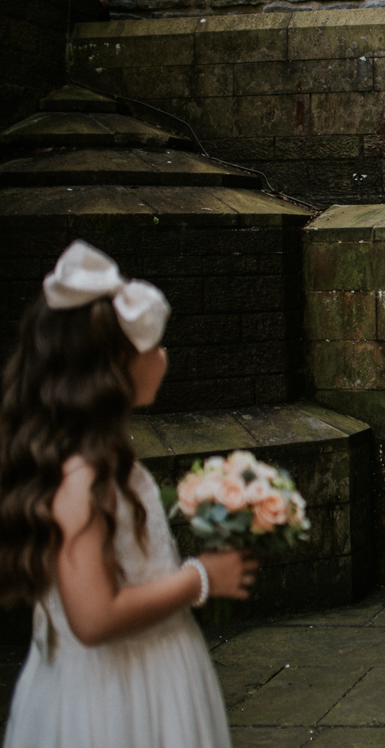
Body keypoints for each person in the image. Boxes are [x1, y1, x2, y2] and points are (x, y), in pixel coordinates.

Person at [0, 241, 255, 748]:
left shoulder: (99, 457)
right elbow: (93, 618)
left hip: (147, 671)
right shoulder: (83, 478)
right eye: (154, 347)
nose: (164, 356)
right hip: (115, 697)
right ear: (115, 366)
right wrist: (202, 577)